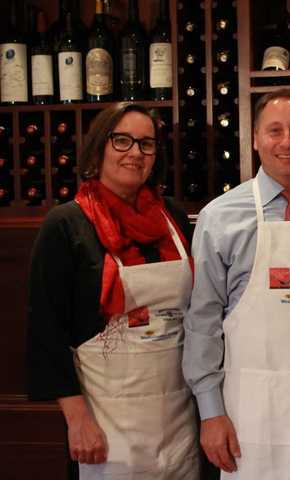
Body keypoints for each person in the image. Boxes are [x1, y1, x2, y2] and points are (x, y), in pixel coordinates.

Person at [183, 89, 290, 479]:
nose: (287, 142)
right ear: (255, 138)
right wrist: (210, 413)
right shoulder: (220, 217)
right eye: (274, 131)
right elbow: (202, 321)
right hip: (248, 415)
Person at [26, 103, 199, 478]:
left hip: (178, 416)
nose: (135, 153)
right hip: (106, 420)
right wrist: (77, 420)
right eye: (122, 141)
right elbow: (45, 332)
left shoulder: (173, 217)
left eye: (146, 144)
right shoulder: (66, 224)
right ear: (98, 147)